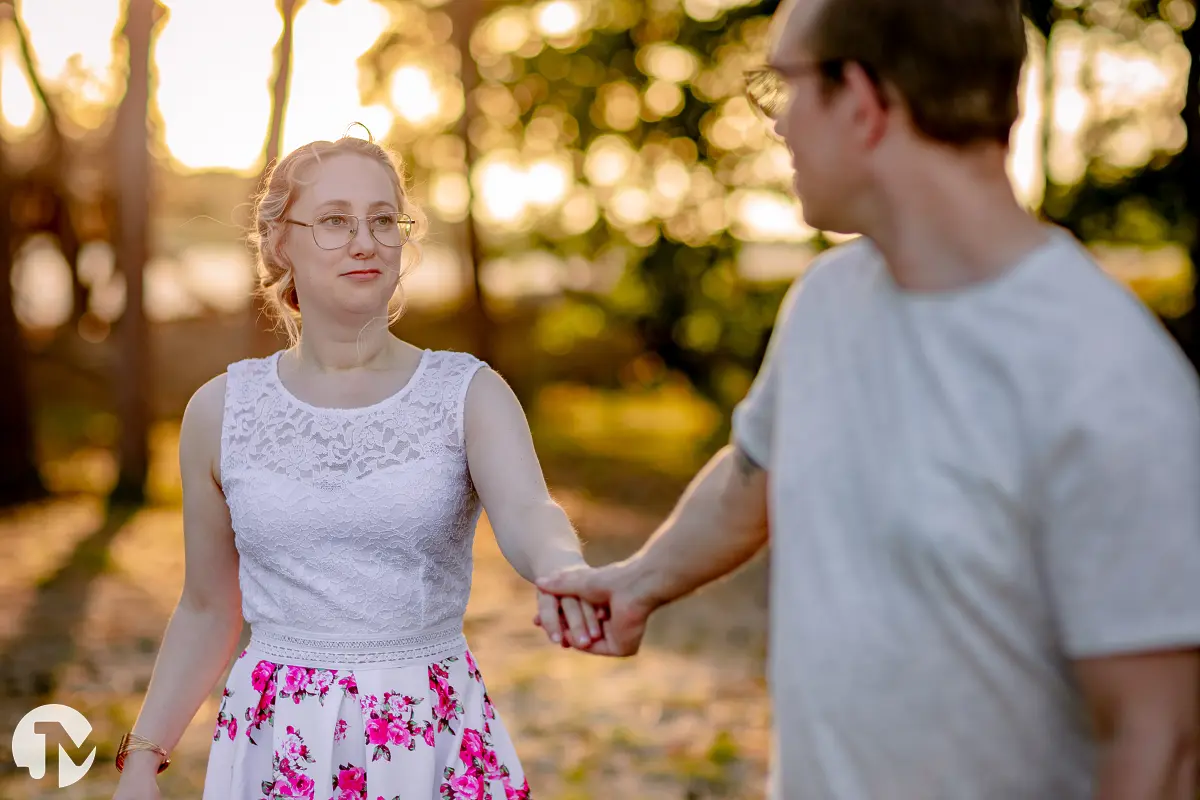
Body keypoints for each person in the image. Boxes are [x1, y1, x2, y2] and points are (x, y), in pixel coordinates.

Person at [536, 0, 1200, 797]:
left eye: (785, 85)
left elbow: (1158, 742)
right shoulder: (827, 301)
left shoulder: (1107, 378)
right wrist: (639, 582)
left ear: (862, 100)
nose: (777, 125)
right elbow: (756, 471)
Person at [111, 133, 603, 800]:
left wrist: (562, 568)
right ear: (280, 242)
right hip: (276, 743)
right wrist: (144, 757)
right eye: (335, 220)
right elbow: (206, 606)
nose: (364, 240)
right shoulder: (219, 411)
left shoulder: (468, 393)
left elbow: (529, 513)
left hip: (427, 734)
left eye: (382, 219)